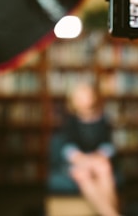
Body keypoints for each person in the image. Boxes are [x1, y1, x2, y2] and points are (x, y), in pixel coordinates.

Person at [48, 81, 120, 216]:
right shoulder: (69, 120)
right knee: (83, 174)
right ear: (73, 100)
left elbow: (109, 145)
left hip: (98, 159)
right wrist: (82, 158)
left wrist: (98, 156)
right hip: (78, 161)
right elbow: (66, 146)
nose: (84, 100)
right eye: (80, 97)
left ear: (93, 97)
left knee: (104, 168)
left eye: (87, 95)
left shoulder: (103, 119)